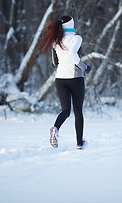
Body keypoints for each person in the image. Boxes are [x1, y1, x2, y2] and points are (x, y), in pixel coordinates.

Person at [39, 16, 91, 150]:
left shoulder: (56, 41)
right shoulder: (76, 38)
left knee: (65, 110)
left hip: (60, 79)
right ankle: (79, 144)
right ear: (72, 25)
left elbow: (55, 62)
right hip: (75, 79)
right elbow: (73, 55)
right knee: (78, 110)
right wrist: (85, 67)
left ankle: (55, 128)